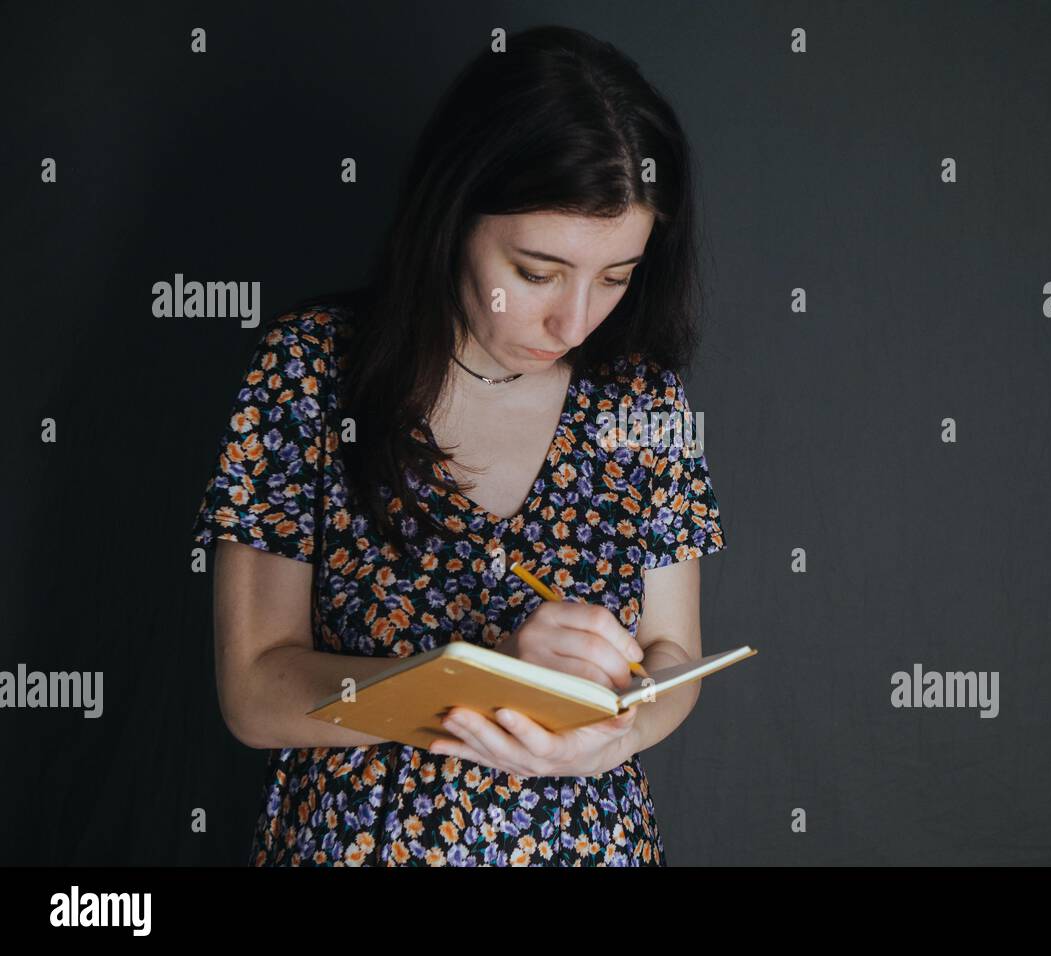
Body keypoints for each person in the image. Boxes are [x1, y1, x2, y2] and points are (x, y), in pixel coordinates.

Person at [190, 24, 726, 866]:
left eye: (616, 277)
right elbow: (255, 689)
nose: (575, 321)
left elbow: (672, 656)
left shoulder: (644, 400)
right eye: (538, 272)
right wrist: (469, 675)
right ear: (454, 214)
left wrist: (619, 735)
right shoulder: (310, 368)